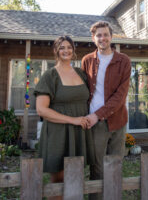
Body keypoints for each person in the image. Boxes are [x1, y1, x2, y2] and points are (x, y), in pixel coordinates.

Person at [35, 36, 94, 199]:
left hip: (78, 133)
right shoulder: (50, 76)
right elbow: (41, 110)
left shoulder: (81, 74)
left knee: (75, 177)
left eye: (69, 47)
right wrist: (73, 120)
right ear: (56, 51)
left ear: (73, 51)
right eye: (62, 47)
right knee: (59, 180)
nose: (66, 50)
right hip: (58, 133)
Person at [82, 21, 131, 200]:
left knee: (115, 166)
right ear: (94, 38)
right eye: (99, 35)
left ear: (111, 36)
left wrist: (97, 115)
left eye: (106, 34)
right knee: (97, 168)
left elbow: (120, 96)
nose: (103, 38)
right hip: (95, 124)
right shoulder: (87, 60)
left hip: (117, 121)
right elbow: (83, 89)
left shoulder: (123, 61)